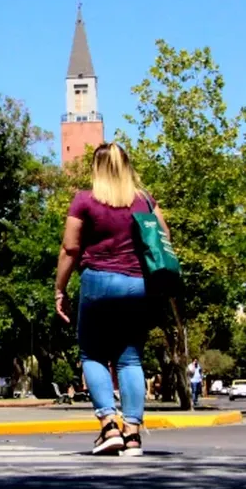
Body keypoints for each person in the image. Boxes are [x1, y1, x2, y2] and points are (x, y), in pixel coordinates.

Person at [54, 142, 171, 457]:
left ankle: (109, 425)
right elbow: (164, 238)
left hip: (98, 283)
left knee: (92, 354)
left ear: (96, 168)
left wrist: (60, 289)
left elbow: (70, 249)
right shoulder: (145, 200)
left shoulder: (84, 200)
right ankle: (132, 434)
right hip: (138, 285)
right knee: (130, 358)